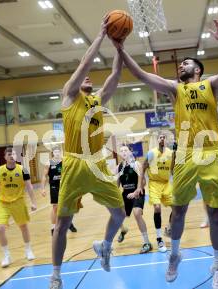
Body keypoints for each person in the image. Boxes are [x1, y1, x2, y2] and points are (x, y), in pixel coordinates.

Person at [113, 19, 218, 289]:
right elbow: (141, 76)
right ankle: (174, 255)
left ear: (198, 69)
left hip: (209, 153)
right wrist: (120, 49)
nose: (181, 65)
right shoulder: (175, 89)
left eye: (186, 63)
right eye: (180, 64)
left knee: (216, 213)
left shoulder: (211, 85)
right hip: (183, 153)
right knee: (179, 212)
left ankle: (217, 264)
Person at [49, 16, 126, 289]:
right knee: (62, 223)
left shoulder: (97, 101)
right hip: (73, 163)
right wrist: (101, 35)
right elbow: (84, 64)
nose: (89, 77)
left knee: (119, 214)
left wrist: (119, 48)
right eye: (86, 77)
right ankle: (56, 275)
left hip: (97, 164)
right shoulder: (69, 94)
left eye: (91, 78)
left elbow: (115, 77)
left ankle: (104, 246)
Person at [0, 147, 37, 268]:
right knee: (0, 229)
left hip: (18, 202)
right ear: (5, 157)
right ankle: (6, 255)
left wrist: (33, 202)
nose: (12, 155)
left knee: (23, 227)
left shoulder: (23, 170)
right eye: (9, 154)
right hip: (3, 203)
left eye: (14, 154)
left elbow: (29, 187)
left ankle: (28, 250)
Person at [131, 132, 173, 253]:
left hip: (166, 184)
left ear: (167, 140)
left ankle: (169, 229)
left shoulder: (171, 154)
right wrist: (139, 186)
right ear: (157, 139)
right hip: (154, 183)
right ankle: (159, 239)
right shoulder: (151, 153)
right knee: (157, 208)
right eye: (160, 137)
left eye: (164, 137)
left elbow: (174, 169)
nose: (162, 139)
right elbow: (142, 169)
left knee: (176, 208)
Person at [117, 145, 152, 253]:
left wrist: (136, 191)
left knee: (137, 213)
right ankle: (123, 230)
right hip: (126, 194)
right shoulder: (119, 167)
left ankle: (147, 242)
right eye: (121, 151)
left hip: (137, 192)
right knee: (115, 214)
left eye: (125, 150)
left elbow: (143, 182)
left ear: (130, 152)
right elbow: (116, 184)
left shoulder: (136, 164)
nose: (123, 152)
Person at [41, 147, 77, 236]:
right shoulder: (48, 163)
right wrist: (42, 188)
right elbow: (44, 176)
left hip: (65, 187)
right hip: (54, 187)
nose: (57, 153)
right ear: (52, 153)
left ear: (61, 152)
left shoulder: (65, 162)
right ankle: (53, 227)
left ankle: (69, 223)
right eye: (55, 151)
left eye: (58, 151)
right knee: (55, 207)